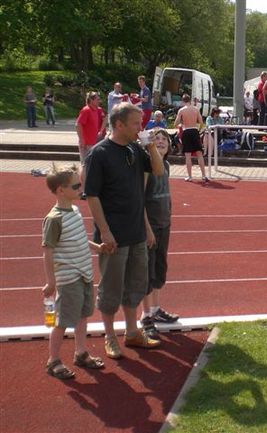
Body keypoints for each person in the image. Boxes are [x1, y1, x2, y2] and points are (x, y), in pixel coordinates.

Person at [84, 102, 164, 359]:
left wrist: (150, 145)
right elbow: (92, 196)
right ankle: (110, 337)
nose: (140, 128)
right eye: (135, 124)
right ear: (119, 124)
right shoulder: (99, 154)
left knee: (135, 285)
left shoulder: (135, 149)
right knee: (111, 287)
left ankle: (132, 333)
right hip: (114, 235)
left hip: (136, 232)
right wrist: (105, 231)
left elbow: (159, 170)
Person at [42, 164, 105, 379]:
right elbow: (47, 251)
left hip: (84, 274)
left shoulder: (75, 211)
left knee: (83, 316)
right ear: (61, 190)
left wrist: (96, 247)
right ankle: (53, 360)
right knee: (62, 321)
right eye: (76, 186)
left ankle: (81, 352)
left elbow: (78, 239)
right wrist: (51, 282)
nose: (81, 189)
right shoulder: (54, 219)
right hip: (69, 278)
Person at [140, 129, 179, 339]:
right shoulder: (147, 167)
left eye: (165, 139)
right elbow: (140, 199)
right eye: (157, 139)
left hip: (164, 224)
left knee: (159, 267)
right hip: (151, 226)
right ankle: (145, 315)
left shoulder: (166, 165)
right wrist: (147, 228)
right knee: (147, 271)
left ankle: (155, 309)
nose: (162, 141)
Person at [174, 93, 208, 183]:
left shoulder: (181, 110)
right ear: (190, 100)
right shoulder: (196, 109)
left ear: (183, 101)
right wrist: (199, 131)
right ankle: (204, 176)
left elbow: (175, 124)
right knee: (199, 154)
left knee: (188, 156)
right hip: (194, 130)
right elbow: (201, 123)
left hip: (186, 131)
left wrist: (181, 125)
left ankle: (190, 176)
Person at [76, 91, 107, 184]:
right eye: (97, 99)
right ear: (91, 100)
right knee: (85, 165)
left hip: (93, 142)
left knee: (91, 165)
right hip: (87, 143)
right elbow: (78, 124)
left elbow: (105, 119)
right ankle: (84, 187)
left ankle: (89, 185)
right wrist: (81, 139)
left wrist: (100, 131)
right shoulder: (86, 110)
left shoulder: (95, 110)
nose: (99, 101)